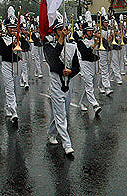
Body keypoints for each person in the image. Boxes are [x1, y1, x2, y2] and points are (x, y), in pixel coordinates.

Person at [43, 12, 80, 155]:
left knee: (62, 112)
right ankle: (67, 144)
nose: (63, 32)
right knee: (61, 114)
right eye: (60, 29)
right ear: (55, 31)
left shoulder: (72, 46)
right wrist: (60, 40)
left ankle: (52, 132)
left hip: (68, 83)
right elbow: (52, 59)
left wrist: (71, 71)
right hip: (56, 83)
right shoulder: (48, 45)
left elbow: (77, 66)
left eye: (64, 29)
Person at [76, 11, 102, 115]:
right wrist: (94, 45)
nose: (91, 33)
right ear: (85, 31)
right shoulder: (81, 41)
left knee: (92, 84)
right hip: (85, 64)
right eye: (89, 31)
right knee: (89, 85)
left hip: (93, 65)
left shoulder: (95, 39)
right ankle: (95, 105)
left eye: (92, 31)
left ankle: (83, 102)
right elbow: (85, 53)